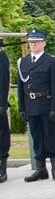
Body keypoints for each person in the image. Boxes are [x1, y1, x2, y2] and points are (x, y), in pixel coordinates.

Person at [17, 29, 55, 182]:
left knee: (50, 137)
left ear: (44, 43)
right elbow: (20, 88)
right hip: (31, 105)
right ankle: (41, 169)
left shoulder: (50, 61)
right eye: (31, 42)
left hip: (46, 104)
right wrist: (21, 107)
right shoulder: (23, 62)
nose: (33, 44)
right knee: (36, 138)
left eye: (36, 42)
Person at [0, 43, 9, 183]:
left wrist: (2, 104)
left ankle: (2, 168)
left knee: (1, 136)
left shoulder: (1, 56)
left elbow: (3, 80)